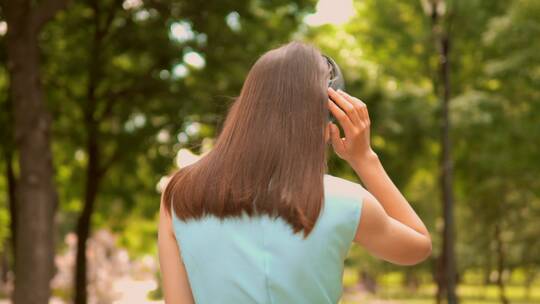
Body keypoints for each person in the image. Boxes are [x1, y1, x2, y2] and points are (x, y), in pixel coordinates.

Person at [158, 41, 432, 304]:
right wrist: (364, 158)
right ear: (328, 118)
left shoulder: (180, 194)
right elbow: (418, 246)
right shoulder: (346, 200)